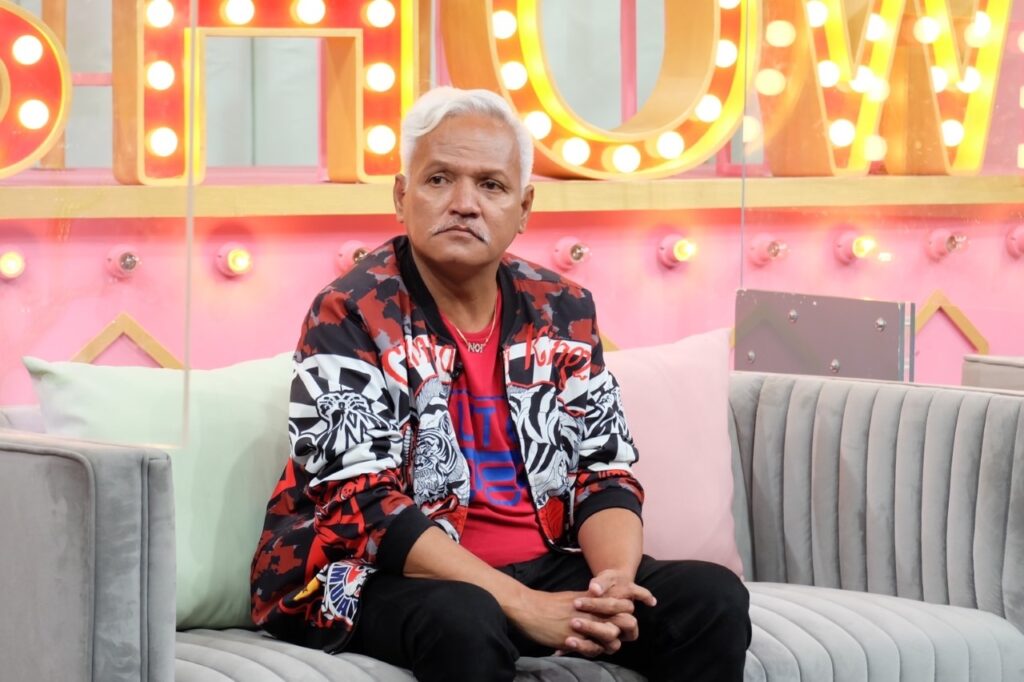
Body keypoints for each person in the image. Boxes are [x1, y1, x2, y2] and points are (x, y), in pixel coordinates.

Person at [251, 86, 750, 681]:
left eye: (491, 185)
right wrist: (523, 606)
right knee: (465, 619)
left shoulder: (562, 307)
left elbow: (602, 472)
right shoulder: (350, 310)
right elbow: (363, 506)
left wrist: (611, 585)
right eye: (439, 179)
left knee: (710, 599)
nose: (464, 204)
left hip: (539, 566)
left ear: (524, 207)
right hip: (366, 577)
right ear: (402, 195)